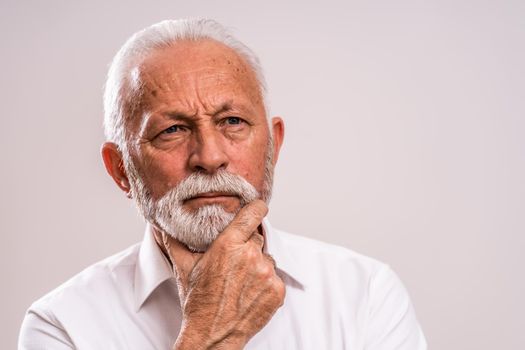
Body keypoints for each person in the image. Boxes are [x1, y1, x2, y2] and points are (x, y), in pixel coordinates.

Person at [19, 18, 427, 349]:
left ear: (274, 146)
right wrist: (208, 335)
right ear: (121, 169)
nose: (210, 157)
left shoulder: (366, 294)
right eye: (173, 130)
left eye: (233, 122)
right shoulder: (62, 325)